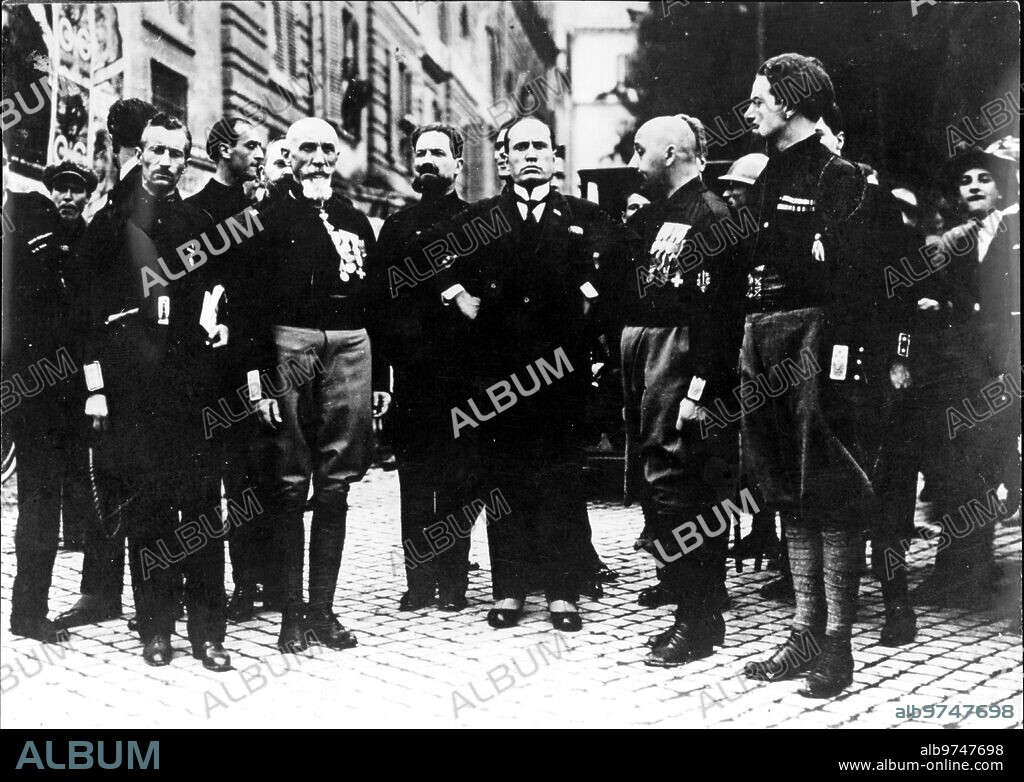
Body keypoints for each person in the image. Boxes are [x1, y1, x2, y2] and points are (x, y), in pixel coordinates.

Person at [737, 54, 910, 697]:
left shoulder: (838, 177)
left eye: (758, 101)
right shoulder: (769, 175)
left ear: (789, 103)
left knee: (832, 496)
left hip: (824, 353)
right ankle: (803, 633)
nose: (750, 111)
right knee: (791, 493)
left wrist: (848, 369)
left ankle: (838, 648)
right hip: (773, 344)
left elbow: (859, 286)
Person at [429, 117, 626, 631]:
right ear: (504, 159)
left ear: (555, 158)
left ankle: (562, 593)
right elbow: (439, 265)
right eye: (522, 147)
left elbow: (611, 282)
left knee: (560, 477)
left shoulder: (585, 217)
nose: (532, 154)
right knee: (504, 478)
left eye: (541, 146)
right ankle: (510, 591)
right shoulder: (481, 219)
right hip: (500, 375)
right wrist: (460, 299)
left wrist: (588, 324)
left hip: (561, 374)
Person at [77, 113, 232, 671]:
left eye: (176, 154)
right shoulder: (108, 223)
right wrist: (95, 389)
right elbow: (86, 316)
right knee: (149, 510)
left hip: (191, 388)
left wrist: (217, 321)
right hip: (131, 388)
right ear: (139, 153)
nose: (166, 162)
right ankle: (156, 629)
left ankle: (210, 634)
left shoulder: (197, 221)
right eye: (157, 151)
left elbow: (217, 294)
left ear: (187, 159)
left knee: (201, 509)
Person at [243, 118, 391, 652]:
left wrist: (384, 375)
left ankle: (322, 611)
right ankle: (289, 615)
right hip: (289, 343)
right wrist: (258, 378)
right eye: (309, 148)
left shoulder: (354, 217)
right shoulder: (265, 215)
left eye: (330, 148)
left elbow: (379, 302)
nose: (321, 158)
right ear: (289, 152)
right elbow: (247, 308)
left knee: (338, 481)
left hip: (351, 344)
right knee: (288, 478)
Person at [607, 114, 745, 665]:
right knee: (660, 481)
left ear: (670, 152)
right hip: (651, 353)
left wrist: (699, 388)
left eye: (640, 150)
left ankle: (698, 620)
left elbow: (720, 313)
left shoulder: (711, 214)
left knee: (683, 485)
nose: (633, 161)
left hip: (681, 357)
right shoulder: (661, 214)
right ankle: (690, 610)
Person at [59, 99, 158, 629]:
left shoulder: (144, 207)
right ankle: (104, 591)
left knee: (138, 479)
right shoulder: (110, 211)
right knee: (113, 477)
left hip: (152, 364)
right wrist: (94, 381)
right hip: (117, 364)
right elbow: (90, 308)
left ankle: (142, 595)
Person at [914, 143, 1019, 608]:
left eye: (984, 179)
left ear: (1002, 188)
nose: (974, 186)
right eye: (966, 181)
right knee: (959, 469)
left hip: (1003, 368)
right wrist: (942, 307)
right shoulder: (962, 238)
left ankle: (974, 575)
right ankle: (957, 571)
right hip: (964, 369)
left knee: (989, 467)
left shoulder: (1014, 233)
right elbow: (964, 301)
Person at [377, 123, 476, 612]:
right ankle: (419, 583)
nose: (427, 162)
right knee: (415, 483)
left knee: (458, 483)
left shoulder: (478, 222)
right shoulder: (395, 228)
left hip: (462, 378)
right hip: (412, 379)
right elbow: (377, 306)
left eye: (438, 153)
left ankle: (454, 583)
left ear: (459, 163)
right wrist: (383, 379)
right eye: (420, 154)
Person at [186, 117, 272, 622]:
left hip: (249, 366)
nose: (259, 154)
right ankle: (200, 589)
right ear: (222, 150)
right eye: (250, 146)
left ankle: (249, 584)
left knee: (246, 480)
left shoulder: (258, 213)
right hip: (203, 365)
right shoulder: (193, 210)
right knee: (200, 484)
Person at [2, 156, 81, 643]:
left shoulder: (33, 209)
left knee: (39, 496)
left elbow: (67, 287)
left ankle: (29, 610)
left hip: (36, 386)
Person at [42, 160, 98, 554]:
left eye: (75, 190)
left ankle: (77, 530)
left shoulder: (93, 240)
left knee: (79, 447)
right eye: (60, 189)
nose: (67, 197)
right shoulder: (38, 239)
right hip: (44, 360)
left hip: (80, 358)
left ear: (87, 195)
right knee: (48, 446)